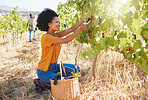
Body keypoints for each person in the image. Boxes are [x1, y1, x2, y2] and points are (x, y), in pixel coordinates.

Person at [34, 8, 88, 90]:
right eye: (57, 22)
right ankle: (41, 82)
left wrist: (83, 20)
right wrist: (80, 30)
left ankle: (53, 79)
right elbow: (65, 40)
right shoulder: (46, 37)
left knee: (76, 69)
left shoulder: (56, 35)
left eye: (59, 22)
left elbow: (71, 29)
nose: (59, 24)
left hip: (55, 67)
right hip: (44, 71)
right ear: (49, 24)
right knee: (63, 81)